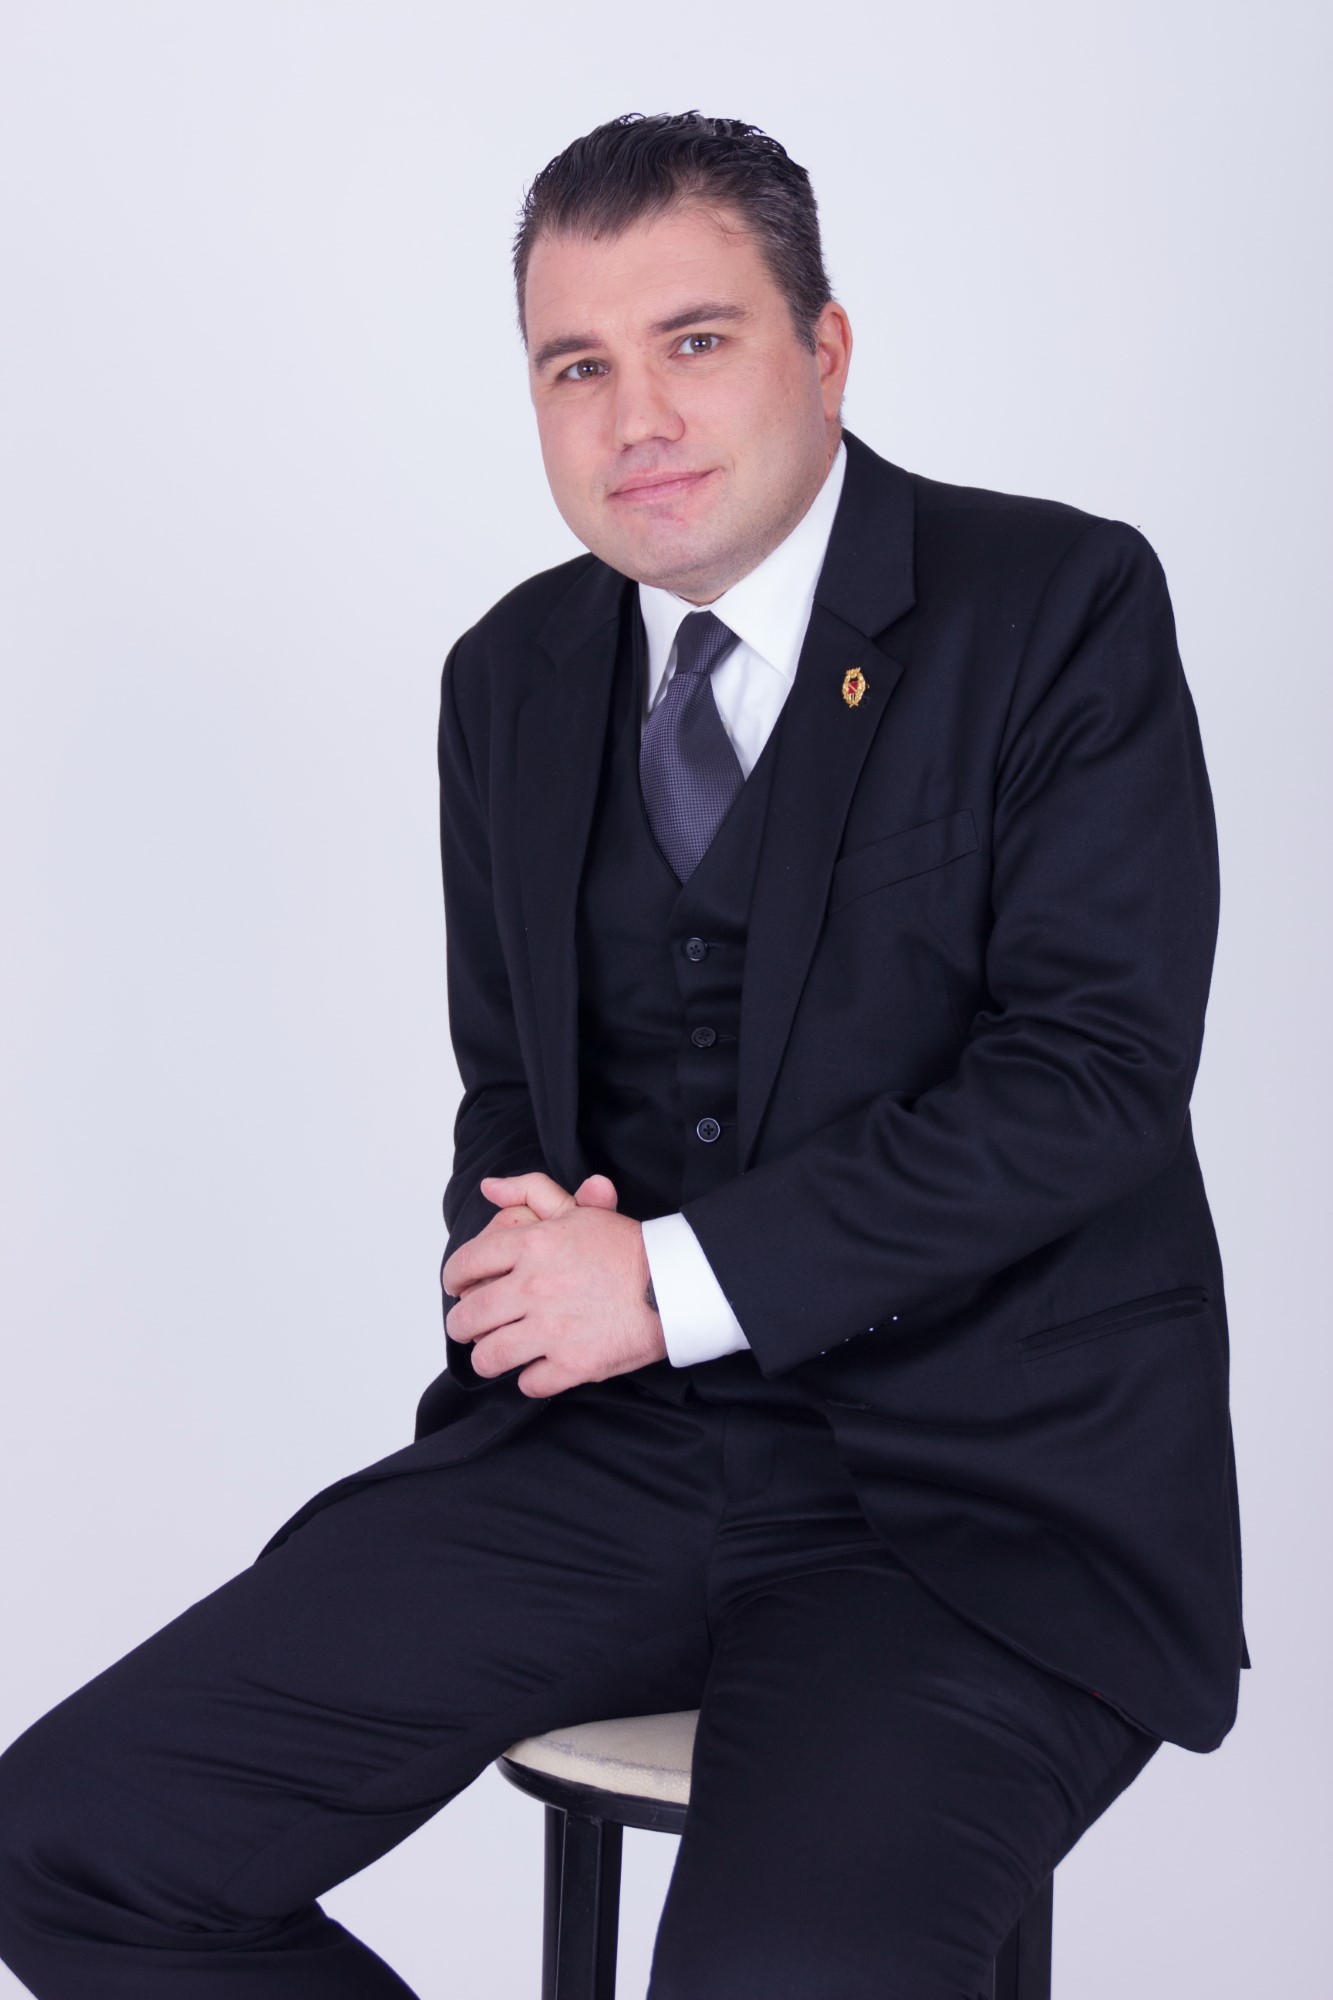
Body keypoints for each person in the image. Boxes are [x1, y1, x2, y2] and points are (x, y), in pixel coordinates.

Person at [0, 111, 1245, 2000]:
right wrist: (519, 1264)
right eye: (574, 365)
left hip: (979, 1497)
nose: (634, 415)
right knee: (74, 1845)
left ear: (825, 350)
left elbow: (1092, 1077)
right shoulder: (508, 676)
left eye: (695, 340)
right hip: (617, 1461)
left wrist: (663, 1279)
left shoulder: (1053, 604)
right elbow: (512, 1086)